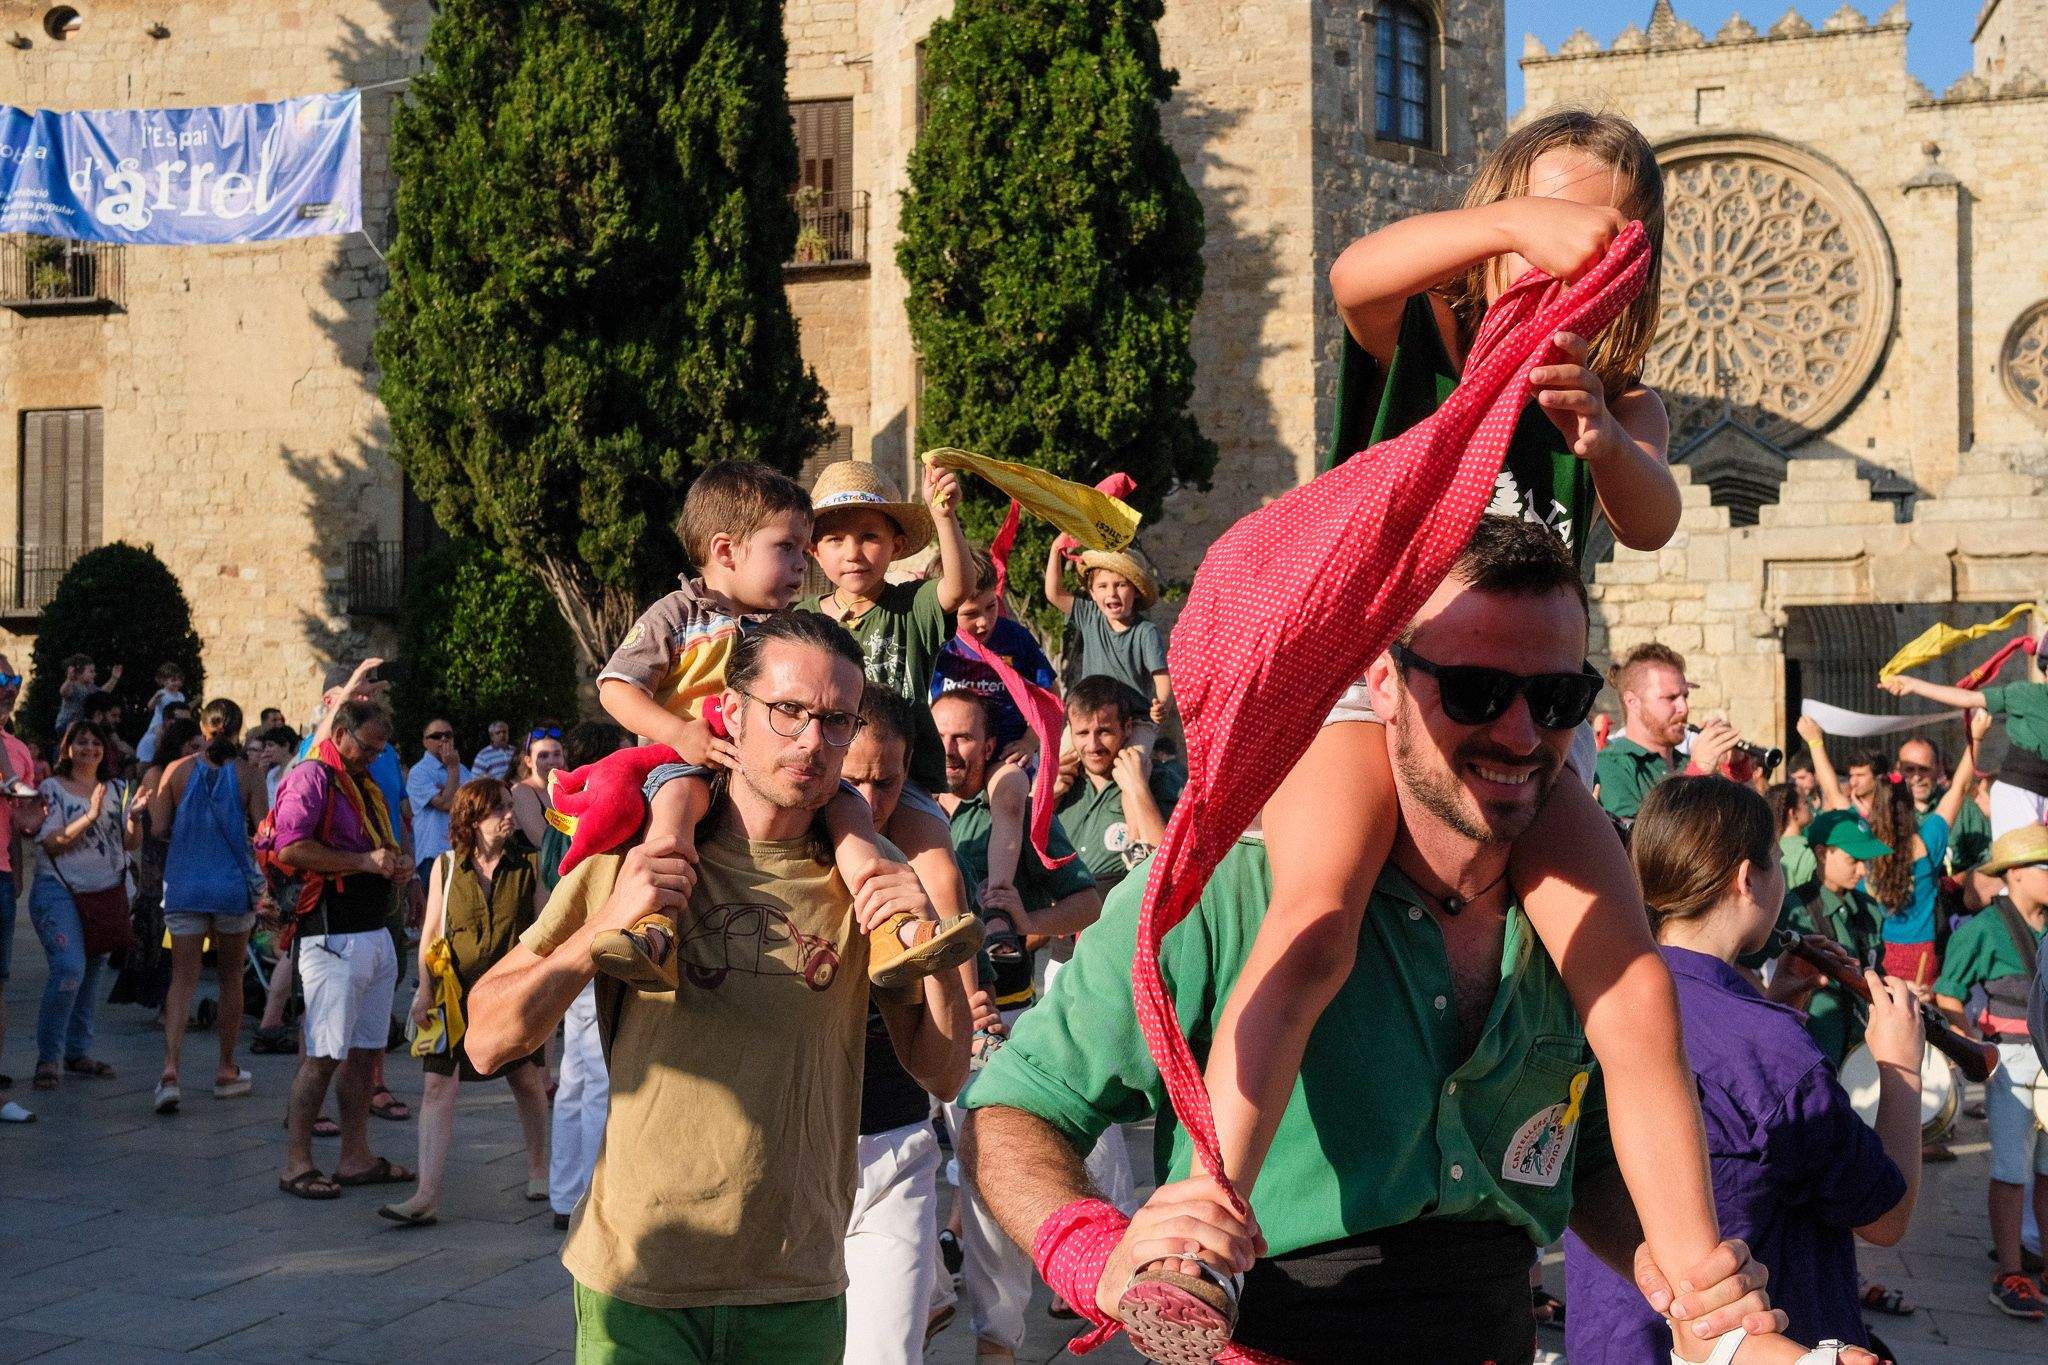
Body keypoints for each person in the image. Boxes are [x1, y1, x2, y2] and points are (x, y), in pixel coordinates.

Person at [959, 526, 1833, 1363]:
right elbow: (1014, 1109)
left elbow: (1596, 1138)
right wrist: (1095, 1252)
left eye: (1557, 700)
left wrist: (1680, 1274)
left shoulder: (1579, 913)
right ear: (1382, 682)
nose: (1523, 734)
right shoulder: (1227, 889)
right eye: (1474, 692)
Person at [464, 611, 943, 1362]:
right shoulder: (640, 859)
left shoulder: (867, 876)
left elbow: (942, 1069)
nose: (812, 742)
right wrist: (602, 931)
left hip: (794, 1286)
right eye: (789, 711)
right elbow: (487, 1038)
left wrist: (932, 936)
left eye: (836, 721)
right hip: (641, 1281)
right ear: (732, 711)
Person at [1564, 776, 1921, 1361]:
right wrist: (1901, 1067)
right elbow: (1884, 1217)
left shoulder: (1594, 998)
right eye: (1777, 861)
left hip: (1614, 1341)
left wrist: (1775, 1005)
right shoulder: (1774, 1050)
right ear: (1746, 877)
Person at [593, 460, 977, 996]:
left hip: (771, 774)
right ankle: (653, 924)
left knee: (851, 809)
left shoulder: (784, 626)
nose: (803, 563)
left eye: (803, 549)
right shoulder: (678, 614)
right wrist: (681, 736)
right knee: (676, 806)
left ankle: (895, 930)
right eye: (790, 549)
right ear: (727, 551)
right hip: (686, 765)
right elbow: (614, 687)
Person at [930, 688, 1107, 1363]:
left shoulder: (1014, 810)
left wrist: (1031, 924)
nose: (950, 750)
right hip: (899, 1020)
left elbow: (1086, 900)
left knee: (983, 1177)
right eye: (940, 735)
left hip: (995, 1023)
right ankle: (917, 1298)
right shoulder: (898, 803)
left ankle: (997, 1338)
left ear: (992, 744)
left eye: (965, 737)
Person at [839, 688, 977, 1364]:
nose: (867, 800)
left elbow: (945, 1069)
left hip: (894, 1145)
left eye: (884, 780)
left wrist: (934, 944)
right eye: (851, 778)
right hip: (791, 1162)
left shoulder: (924, 858)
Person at [380, 778, 551, 1226]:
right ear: (472, 820)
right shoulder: (444, 867)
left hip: (511, 996)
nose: (509, 816)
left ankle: (540, 1169)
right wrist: (423, 988)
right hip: (450, 993)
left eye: (511, 806)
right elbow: (431, 934)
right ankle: (426, 1195)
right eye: (498, 810)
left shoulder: (529, 864)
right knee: (437, 1087)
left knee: (527, 1081)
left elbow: (545, 928)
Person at [270, 698, 417, 1201]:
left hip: (372, 930)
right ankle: (296, 1163)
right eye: (364, 747)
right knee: (325, 1053)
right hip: (331, 933)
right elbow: (289, 847)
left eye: (378, 750)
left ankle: (355, 1157)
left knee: (364, 1053)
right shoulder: (313, 777)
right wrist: (363, 862)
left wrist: (395, 865)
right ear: (340, 733)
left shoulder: (363, 781)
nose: (370, 757)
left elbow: (376, 848)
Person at [1934, 824, 2048, 1319]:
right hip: (2013, 1061)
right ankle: (2010, 1270)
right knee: (2008, 1169)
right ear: (2015, 875)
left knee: (2047, 1172)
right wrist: (1973, 1046)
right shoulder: (1985, 927)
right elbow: (1949, 989)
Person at [149, 724, 269, 1113]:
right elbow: (265, 829)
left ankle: (170, 1071)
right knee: (231, 976)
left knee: (183, 979)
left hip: (184, 883)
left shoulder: (176, 771)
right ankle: (225, 1067)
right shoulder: (249, 773)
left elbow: (160, 827)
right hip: (231, 887)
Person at [28, 721, 141, 1092]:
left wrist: (135, 820)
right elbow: (51, 843)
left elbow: (128, 844)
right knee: (68, 968)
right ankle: (48, 1057)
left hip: (104, 893)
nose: (89, 748)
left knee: (92, 974)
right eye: (81, 741)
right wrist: (89, 816)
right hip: (59, 889)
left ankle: (77, 1052)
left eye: (96, 742)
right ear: (67, 748)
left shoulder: (117, 789)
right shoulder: (52, 789)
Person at [546, 720, 621, 1231]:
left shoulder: (562, 803)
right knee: (595, 1078)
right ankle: (586, 1191)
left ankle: (563, 1188)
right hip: (592, 941)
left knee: (576, 1076)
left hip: (564, 940)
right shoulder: (602, 802)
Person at [1884, 657, 2048, 838]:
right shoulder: (2028, 695)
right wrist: (1914, 685)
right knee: (2029, 861)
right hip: (2020, 792)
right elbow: (1969, 698)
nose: (1916, 776)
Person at [1780, 811, 1893, 1069]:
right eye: (1853, 860)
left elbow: (1876, 966)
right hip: (1815, 1046)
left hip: (1863, 1045)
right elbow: (1745, 963)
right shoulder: (1795, 908)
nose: (1863, 870)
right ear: (1821, 853)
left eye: (1866, 861)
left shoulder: (1868, 909)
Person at [1054, 677, 1183, 894]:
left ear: (1127, 728)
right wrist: (1043, 800)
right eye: (1083, 733)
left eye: (1104, 731)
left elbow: (1173, 871)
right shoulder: (1059, 788)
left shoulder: (1159, 781)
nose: (1093, 746)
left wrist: (1138, 788)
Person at [932, 546, 1059, 763]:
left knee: (1009, 786)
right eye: (970, 614)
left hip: (1006, 756)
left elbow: (1051, 697)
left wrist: (1030, 741)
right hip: (948, 756)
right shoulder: (934, 641)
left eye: (991, 606)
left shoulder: (1016, 638)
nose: (984, 622)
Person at [1043, 540, 1172, 745]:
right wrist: (1055, 551)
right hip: (1090, 715)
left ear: (1136, 590)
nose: (1111, 593)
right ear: (1092, 593)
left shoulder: (1146, 632)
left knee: (1134, 764)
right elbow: (1054, 593)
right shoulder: (1089, 615)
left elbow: (1162, 677)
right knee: (1061, 763)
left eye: (1121, 585)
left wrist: (1162, 704)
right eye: (1102, 586)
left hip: (1135, 719)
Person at [1595, 644, 1738, 822]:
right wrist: (1697, 771)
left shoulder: (1684, 762)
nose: (1684, 708)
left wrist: (1737, 771)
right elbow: (1637, 842)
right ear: (1632, 701)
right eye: (1670, 698)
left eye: (1685, 696)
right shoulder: (1610, 764)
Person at [1897, 735, 1995, 875]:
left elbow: (1989, 860)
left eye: (1924, 769)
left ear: (1938, 768)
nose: (1917, 777)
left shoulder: (1964, 809)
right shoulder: (1891, 811)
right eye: (1910, 770)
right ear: (1899, 770)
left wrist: (1961, 880)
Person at [406, 717, 472, 881]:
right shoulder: (418, 772)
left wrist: (449, 785)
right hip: (434, 855)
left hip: (463, 851)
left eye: (448, 735)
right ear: (425, 742)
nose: (443, 739)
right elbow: (446, 803)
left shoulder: (463, 770)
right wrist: (453, 769)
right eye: (436, 736)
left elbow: (472, 804)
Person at [510, 723, 567, 856]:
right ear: (529, 761)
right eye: (543, 756)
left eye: (557, 754)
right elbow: (544, 842)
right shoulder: (521, 792)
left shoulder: (565, 789)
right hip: (536, 872)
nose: (552, 761)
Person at [134, 661, 187, 765]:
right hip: (160, 721)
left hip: (174, 722)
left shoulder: (180, 696)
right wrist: (155, 699)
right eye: (173, 680)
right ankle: (159, 753)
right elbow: (150, 706)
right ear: (164, 681)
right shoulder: (162, 693)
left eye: (179, 680)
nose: (176, 683)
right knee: (160, 732)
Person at [1768, 782, 1815, 892]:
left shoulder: (1770, 849)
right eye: (1806, 802)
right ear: (1792, 813)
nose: (1810, 805)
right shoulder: (1808, 851)